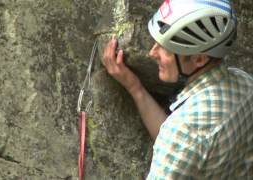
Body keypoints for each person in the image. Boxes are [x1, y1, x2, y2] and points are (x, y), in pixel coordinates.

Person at [102, 0, 253, 179]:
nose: (152, 53)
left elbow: (182, 140)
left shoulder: (184, 131)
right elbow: (184, 147)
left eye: (166, 48)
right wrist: (135, 88)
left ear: (199, 59)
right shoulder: (245, 84)